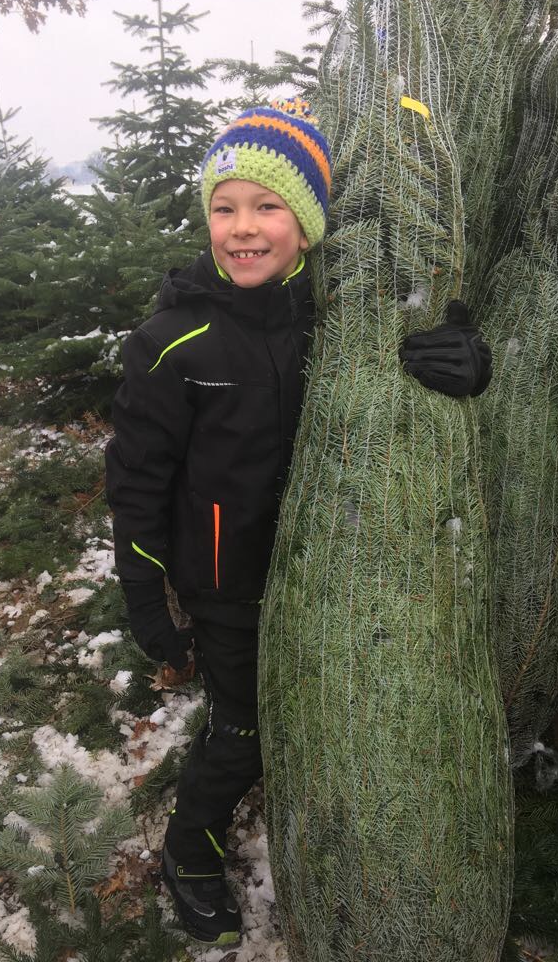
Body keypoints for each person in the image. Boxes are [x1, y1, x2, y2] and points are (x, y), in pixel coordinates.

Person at [104, 100, 492, 947]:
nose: (243, 228)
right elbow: (135, 482)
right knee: (244, 733)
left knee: (320, 715)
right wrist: (145, 598)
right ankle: (191, 851)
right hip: (226, 582)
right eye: (224, 206)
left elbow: (413, 360)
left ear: (308, 226)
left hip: (332, 568)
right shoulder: (173, 343)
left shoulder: (335, 323)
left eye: (268, 207)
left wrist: (465, 360)